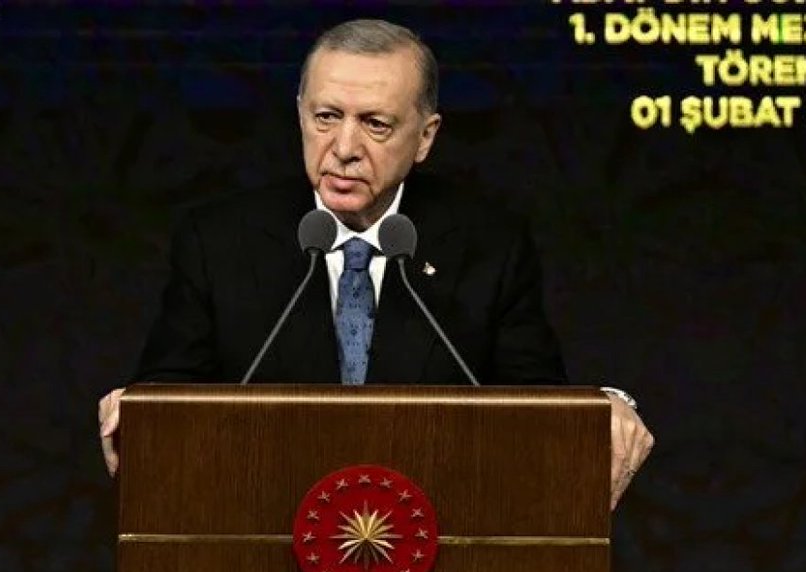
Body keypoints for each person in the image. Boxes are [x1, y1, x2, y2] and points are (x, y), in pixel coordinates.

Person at [97, 19, 654, 509]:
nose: (344, 146)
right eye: (326, 117)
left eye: (375, 124)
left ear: (425, 138)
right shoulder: (219, 240)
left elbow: (538, 408)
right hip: (260, 540)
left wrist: (605, 409)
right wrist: (139, 409)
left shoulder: (489, 245)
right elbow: (169, 396)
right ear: (299, 115)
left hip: (435, 545)